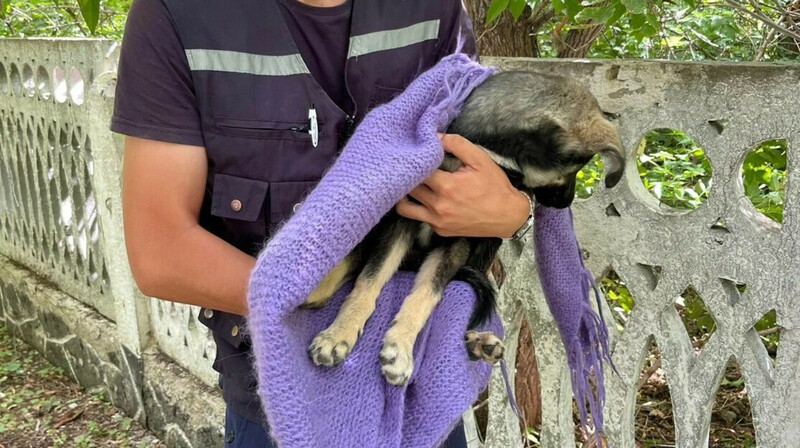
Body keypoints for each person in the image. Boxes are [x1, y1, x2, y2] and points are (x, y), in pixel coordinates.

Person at [114, 0, 531, 446]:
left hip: (419, 390)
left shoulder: (436, 8)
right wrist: (336, 305)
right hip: (284, 398)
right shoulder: (175, 14)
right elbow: (161, 252)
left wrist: (515, 213)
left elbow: (482, 161)